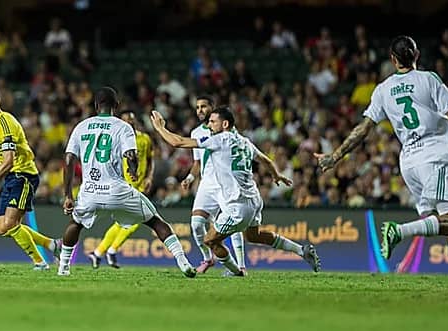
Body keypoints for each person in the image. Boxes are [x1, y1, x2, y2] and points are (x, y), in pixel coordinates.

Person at [315, 35, 448, 294]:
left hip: (409, 162)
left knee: (444, 219)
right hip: (434, 155)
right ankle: (398, 231)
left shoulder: (383, 89)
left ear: (393, 60)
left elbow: (363, 129)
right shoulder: (428, 79)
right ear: (416, 56)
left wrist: (335, 156)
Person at [151, 107, 321, 275]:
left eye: (212, 122)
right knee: (254, 236)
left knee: (210, 240)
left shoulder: (220, 139)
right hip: (254, 200)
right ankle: (302, 250)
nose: (209, 126)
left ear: (225, 124)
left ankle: (236, 272)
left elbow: (178, 142)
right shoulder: (244, 141)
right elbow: (266, 160)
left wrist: (160, 128)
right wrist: (276, 175)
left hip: (238, 205)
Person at [57, 87, 196, 278]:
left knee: (75, 224)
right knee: (155, 221)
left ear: (96, 105)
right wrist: (132, 168)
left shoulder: (81, 126)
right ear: (116, 105)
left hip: (90, 191)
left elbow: (69, 160)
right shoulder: (123, 127)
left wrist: (67, 195)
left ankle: (63, 268)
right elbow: (131, 154)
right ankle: (184, 262)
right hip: (117, 191)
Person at [0, 85, 60, 270]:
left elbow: (8, 161)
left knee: (10, 224)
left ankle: (40, 263)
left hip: (23, 174)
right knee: (4, 228)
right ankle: (53, 245)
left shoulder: (5, 122)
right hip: (11, 177)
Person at [182, 95, 246, 274]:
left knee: (233, 223)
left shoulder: (229, 132)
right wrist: (189, 178)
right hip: (207, 184)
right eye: (197, 107)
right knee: (196, 224)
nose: (200, 110)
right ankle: (208, 258)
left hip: (226, 184)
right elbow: (197, 163)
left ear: (213, 107)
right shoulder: (196, 133)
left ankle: (240, 265)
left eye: (204, 106)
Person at [88, 110, 155, 268]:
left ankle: (98, 253)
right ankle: (110, 250)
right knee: (139, 218)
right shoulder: (117, 139)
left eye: (131, 119)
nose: (130, 122)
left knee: (123, 222)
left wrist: (150, 177)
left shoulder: (145, 138)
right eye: (126, 120)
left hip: (141, 185)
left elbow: (151, 160)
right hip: (125, 185)